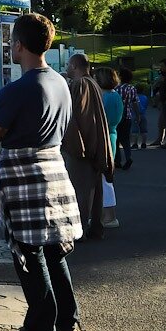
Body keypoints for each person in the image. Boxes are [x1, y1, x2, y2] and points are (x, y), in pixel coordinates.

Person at [0, 13, 83, 331]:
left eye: (12, 42)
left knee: (29, 254)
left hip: (24, 177)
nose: (11, 47)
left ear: (20, 45)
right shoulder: (61, 83)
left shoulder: (19, 88)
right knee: (55, 251)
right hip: (55, 170)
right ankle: (67, 320)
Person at [62, 54, 114, 241]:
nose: (67, 68)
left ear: (75, 66)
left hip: (82, 145)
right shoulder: (93, 84)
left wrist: (74, 143)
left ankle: (80, 230)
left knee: (80, 190)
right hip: (95, 143)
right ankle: (96, 227)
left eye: (68, 65)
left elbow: (76, 115)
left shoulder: (80, 85)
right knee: (95, 189)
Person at [94, 68, 123, 230]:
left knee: (105, 180)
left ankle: (109, 216)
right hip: (109, 137)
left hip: (106, 139)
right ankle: (106, 215)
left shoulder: (108, 97)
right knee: (105, 179)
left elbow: (103, 120)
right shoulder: (113, 96)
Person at [114, 68, 138, 169]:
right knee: (126, 139)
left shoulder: (116, 88)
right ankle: (128, 157)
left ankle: (117, 160)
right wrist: (138, 115)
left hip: (117, 115)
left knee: (116, 139)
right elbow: (135, 102)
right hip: (127, 116)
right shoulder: (132, 88)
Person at [132, 84, 149, 150]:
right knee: (144, 130)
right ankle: (143, 143)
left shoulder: (134, 97)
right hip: (143, 114)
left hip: (135, 115)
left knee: (135, 130)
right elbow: (146, 105)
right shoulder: (145, 97)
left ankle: (135, 143)